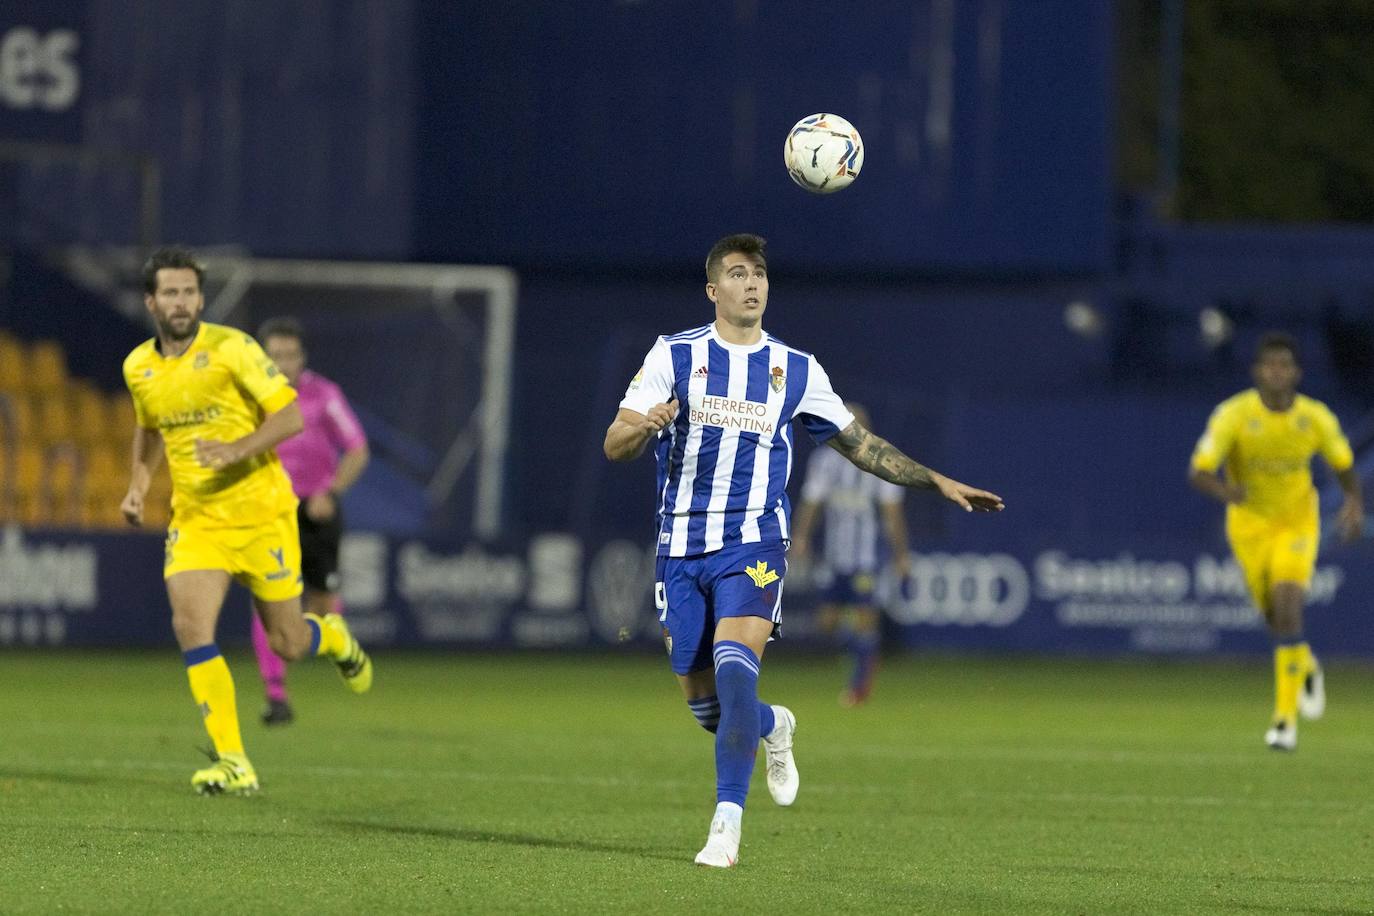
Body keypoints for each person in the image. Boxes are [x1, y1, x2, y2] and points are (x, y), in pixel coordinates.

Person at [603, 233, 1003, 867]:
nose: (752, 282)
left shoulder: (797, 369)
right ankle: (773, 726)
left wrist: (937, 480)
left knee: (735, 666)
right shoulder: (672, 356)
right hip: (681, 548)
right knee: (707, 703)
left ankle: (725, 827)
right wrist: (643, 423)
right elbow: (615, 443)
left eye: (759, 273)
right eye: (737, 273)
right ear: (714, 290)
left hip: (754, 543)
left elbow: (861, 446)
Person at [120, 246, 373, 795]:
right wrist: (138, 486)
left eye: (189, 292)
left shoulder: (234, 349)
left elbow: (287, 417)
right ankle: (235, 762)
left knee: (288, 643)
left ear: (200, 299)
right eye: (171, 292)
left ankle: (329, 637)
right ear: (151, 301)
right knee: (190, 626)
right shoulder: (138, 366)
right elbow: (149, 427)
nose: (181, 302)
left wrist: (234, 451)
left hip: (262, 515)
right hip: (197, 520)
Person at [1189, 331, 1363, 752]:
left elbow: (1342, 463)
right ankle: (1305, 667)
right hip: (1248, 527)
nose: (1277, 372)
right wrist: (1226, 491)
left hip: (1297, 523)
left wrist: (1354, 502)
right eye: (1269, 365)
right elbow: (1200, 470)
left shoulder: (1315, 417)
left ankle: (1284, 722)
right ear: (1256, 372)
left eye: (1284, 366)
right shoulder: (1234, 414)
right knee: (1275, 621)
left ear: (1297, 373)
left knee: (1288, 608)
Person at [251, 317, 370, 726]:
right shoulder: (249, 397)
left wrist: (331, 492)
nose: (283, 364)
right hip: (269, 512)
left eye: (290, 355)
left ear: (303, 358)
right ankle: (276, 694)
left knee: (321, 606)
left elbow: (356, 449)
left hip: (315, 513)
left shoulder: (323, 396)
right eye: (275, 355)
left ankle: (337, 645)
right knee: (268, 602)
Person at [789, 402, 909, 707]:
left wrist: (900, 554)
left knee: (864, 619)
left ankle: (859, 685)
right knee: (827, 622)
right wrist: (801, 537)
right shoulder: (825, 461)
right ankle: (864, 653)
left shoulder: (881, 461)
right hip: (835, 556)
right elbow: (812, 502)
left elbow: (892, 512)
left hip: (866, 558)